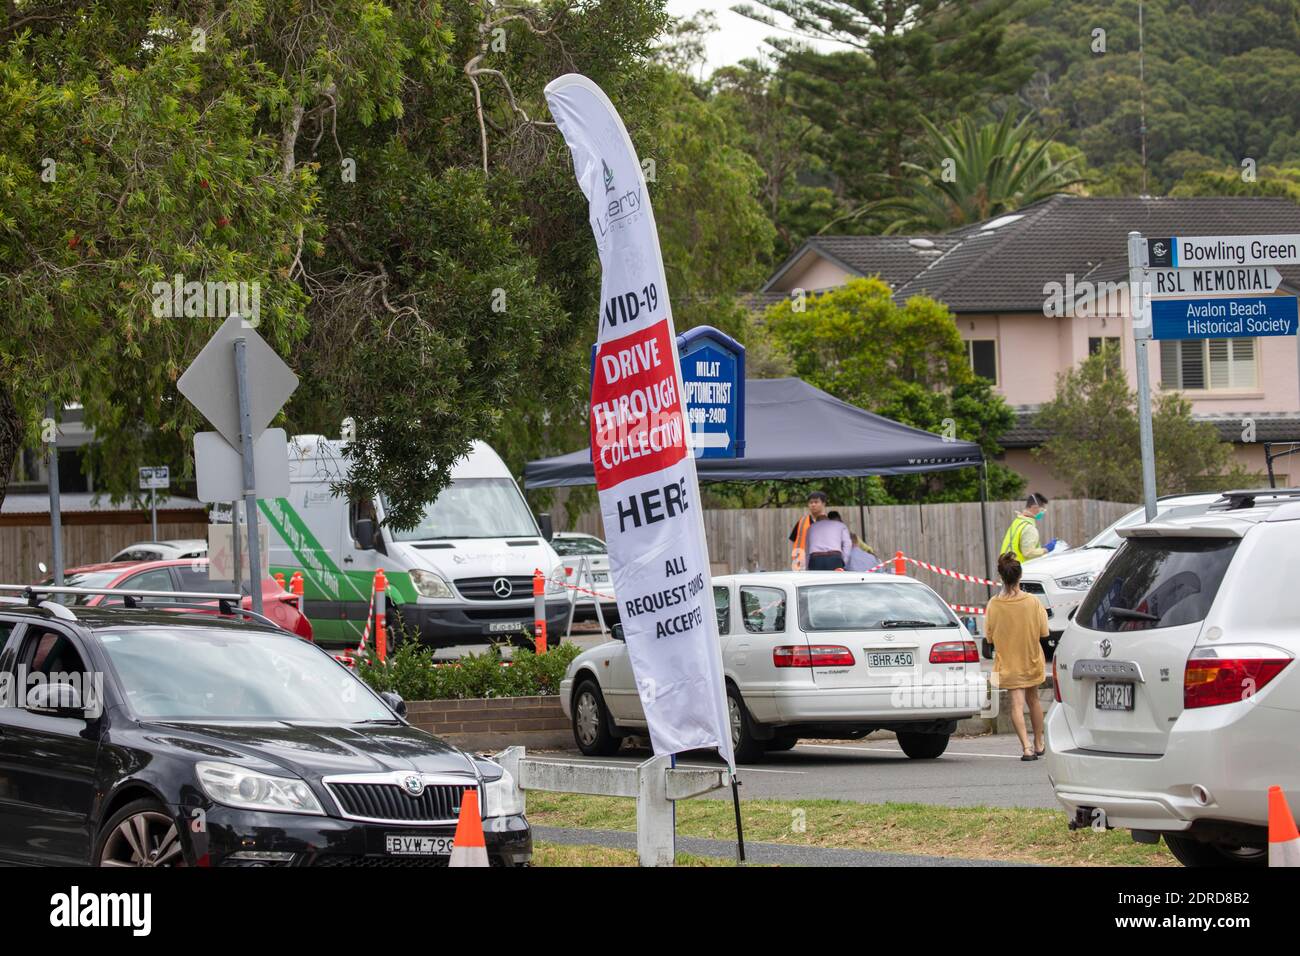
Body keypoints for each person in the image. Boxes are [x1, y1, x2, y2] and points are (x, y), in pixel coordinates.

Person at [986, 551, 1049, 761]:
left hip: (1009, 662)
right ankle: (1040, 742)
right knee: (1034, 701)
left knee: (1016, 705)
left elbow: (989, 637)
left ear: (1001, 577)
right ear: (1019, 576)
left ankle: (1026, 748)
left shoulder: (994, 604)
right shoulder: (1032, 602)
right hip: (1031, 658)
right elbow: (1044, 632)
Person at [789, 492, 851, 571]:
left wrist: (843, 560)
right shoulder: (802, 522)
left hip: (823, 559)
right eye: (811, 503)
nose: (813, 505)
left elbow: (846, 544)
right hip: (807, 561)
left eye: (816, 502)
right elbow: (798, 543)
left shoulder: (833, 522)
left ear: (823, 503)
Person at [999, 492, 1058, 562]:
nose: (1042, 513)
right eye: (1042, 510)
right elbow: (1028, 553)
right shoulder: (1029, 528)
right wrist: (1046, 549)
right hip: (1021, 569)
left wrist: (1040, 549)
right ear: (1034, 507)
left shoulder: (1018, 522)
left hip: (1008, 568)